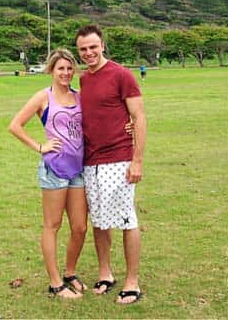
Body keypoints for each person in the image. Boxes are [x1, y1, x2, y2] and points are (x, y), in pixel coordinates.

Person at [75, 24, 147, 306]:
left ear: (103, 45)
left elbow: (139, 117)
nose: (89, 53)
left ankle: (132, 281)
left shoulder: (122, 75)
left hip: (119, 159)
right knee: (100, 221)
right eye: (83, 49)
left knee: (127, 219)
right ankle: (105, 273)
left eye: (93, 47)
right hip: (90, 161)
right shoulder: (84, 80)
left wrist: (137, 161)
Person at [8, 49, 88, 300]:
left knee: (80, 226)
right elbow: (15, 125)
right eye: (60, 68)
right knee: (52, 225)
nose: (65, 73)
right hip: (54, 168)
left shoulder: (79, 97)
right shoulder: (43, 97)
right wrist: (40, 147)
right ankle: (55, 283)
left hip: (78, 169)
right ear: (51, 70)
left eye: (69, 68)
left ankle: (70, 273)